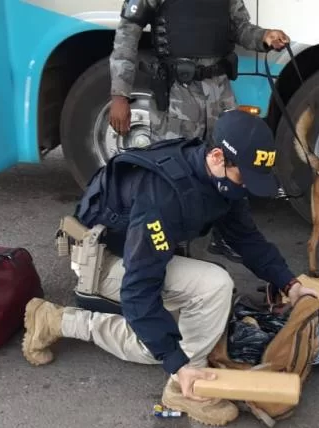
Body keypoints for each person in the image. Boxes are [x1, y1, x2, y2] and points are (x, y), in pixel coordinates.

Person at [22, 110, 319, 426]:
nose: (246, 187)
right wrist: (178, 364)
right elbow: (138, 291)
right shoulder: (163, 197)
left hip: (136, 254)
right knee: (192, 312)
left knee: (197, 321)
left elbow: (247, 238)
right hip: (102, 263)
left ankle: (61, 321)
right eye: (243, 177)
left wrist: (289, 284)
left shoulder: (217, 177)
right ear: (217, 157)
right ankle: (182, 386)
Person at [108, 0, 291, 264]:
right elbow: (127, 33)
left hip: (219, 92)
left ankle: (228, 235)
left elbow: (239, 27)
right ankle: (170, 247)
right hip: (177, 95)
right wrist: (120, 94)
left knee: (233, 166)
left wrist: (264, 37)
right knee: (173, 173)